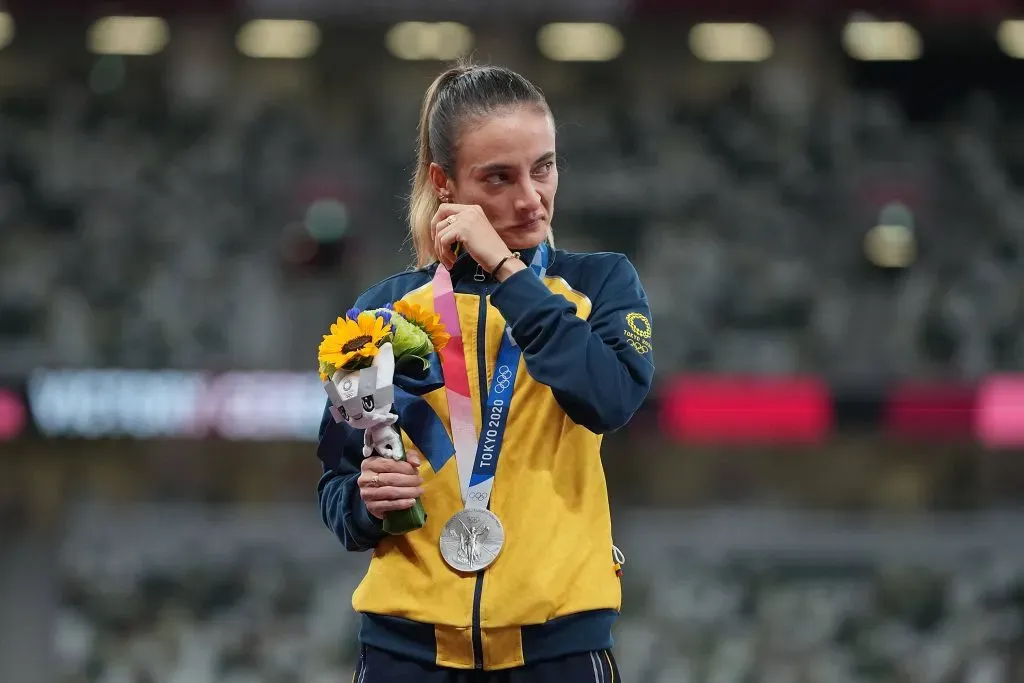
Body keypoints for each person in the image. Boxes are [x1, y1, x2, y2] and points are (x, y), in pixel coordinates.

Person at [316, 61, 655, 683]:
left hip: (557, 651)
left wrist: (508, 271)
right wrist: (368, 505)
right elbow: (336, 485)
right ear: (445, 183)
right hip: (405, 654)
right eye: (499, 177)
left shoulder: (600, 283)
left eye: (544, 167)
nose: (532, 197)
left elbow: (606, 399)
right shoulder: (380, 314)